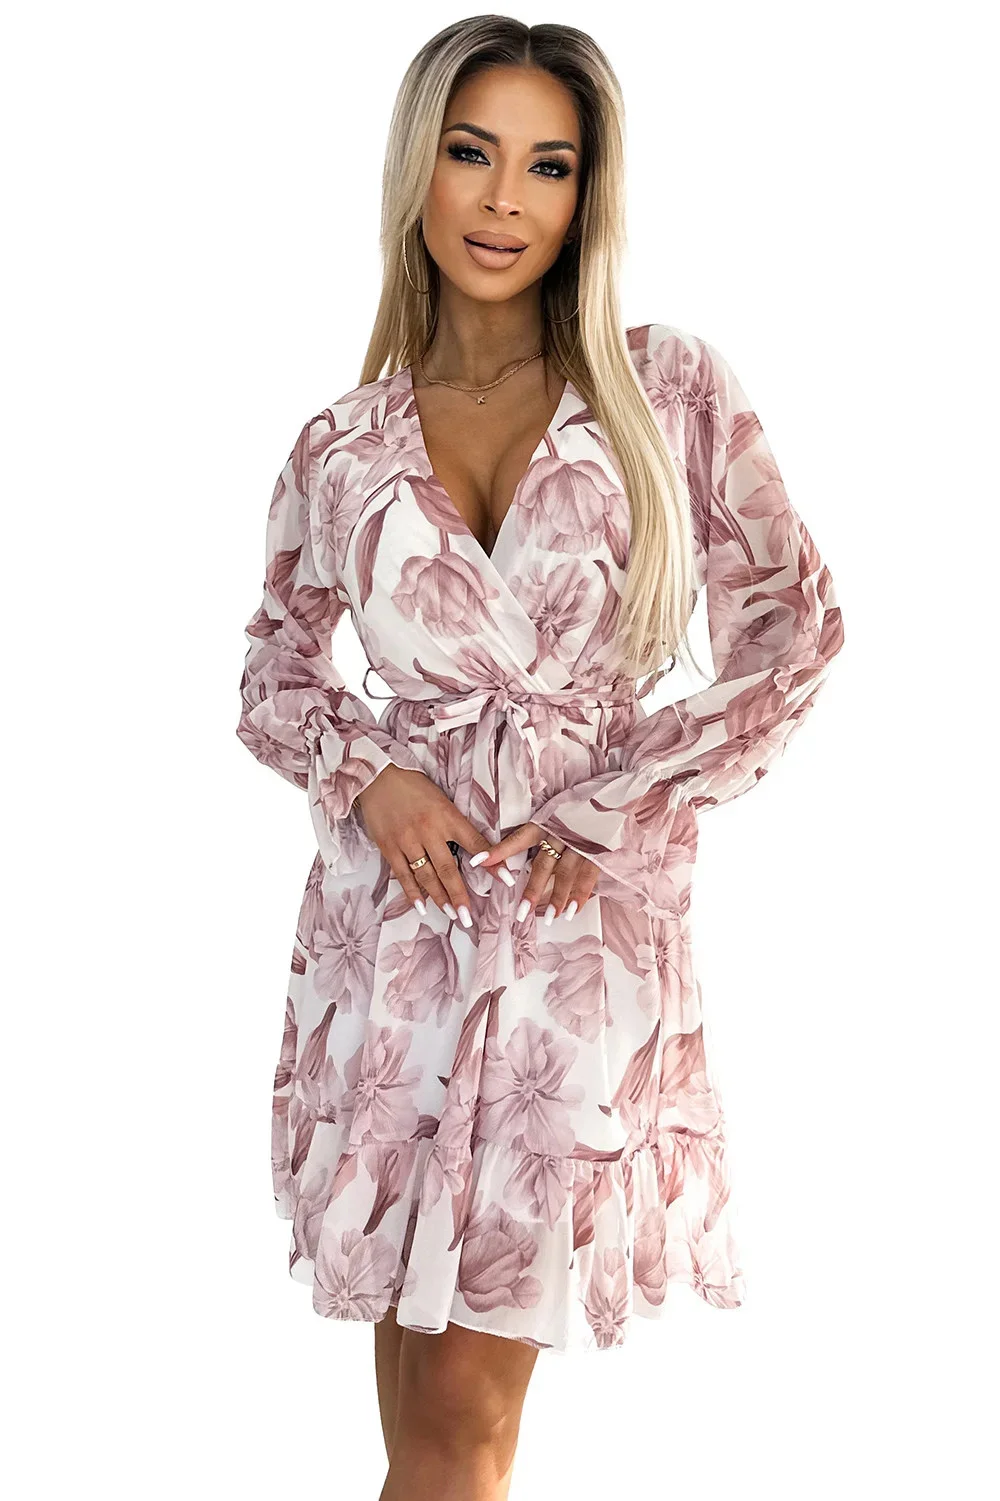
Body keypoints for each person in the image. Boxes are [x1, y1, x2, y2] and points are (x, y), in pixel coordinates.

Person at [235, 16, 845, 1501]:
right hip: (396, 943)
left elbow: (796, 632)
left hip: (576, 936)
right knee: (425, 1426)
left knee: (460, 1417)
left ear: (588, 194)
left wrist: (620, 801)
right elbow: (273, 669)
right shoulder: (342, 443)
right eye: (472, 152)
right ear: (419, 171)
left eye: (549, 166)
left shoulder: (668, 390)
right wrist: (374, 777)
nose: (506, 200)